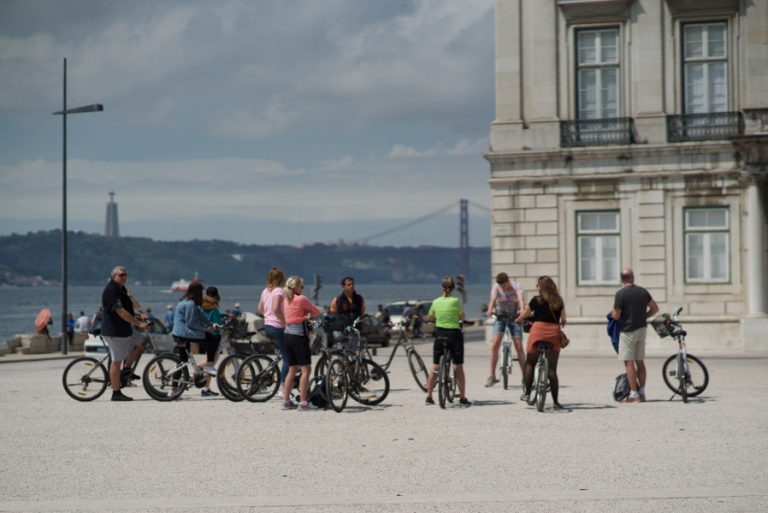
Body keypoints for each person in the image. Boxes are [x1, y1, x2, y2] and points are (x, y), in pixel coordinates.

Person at [515, 276, 566, 409]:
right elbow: (564, 319)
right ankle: (556, 402)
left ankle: (526, 393)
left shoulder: (536, 300)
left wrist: (518, 320)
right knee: (552, 370)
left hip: (537, 331)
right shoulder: (558, 300)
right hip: (553, 333)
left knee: (530, 363)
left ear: (540, 287)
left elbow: (525, 314)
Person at [100, 266, 149, 401]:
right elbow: (120, 312)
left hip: (125, 329)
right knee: (116, 361)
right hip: (115, 332)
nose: (124, 277)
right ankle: (116, 393)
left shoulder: (121, 289)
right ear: (114, 276)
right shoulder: (111, 291)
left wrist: (139, 315)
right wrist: (138, 324)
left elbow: (131, 308)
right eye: (121, 275)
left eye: (126, 275)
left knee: (142, 341)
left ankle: (126, 370)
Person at [611, 268, 659, 403]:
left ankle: (634, 395)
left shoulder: (620, 294)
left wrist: (613, 312)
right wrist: (644, 316)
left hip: (627, 331)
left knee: (629, 363)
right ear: (632, 277)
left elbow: (616, 315)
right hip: (641, 329)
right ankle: (642, 392)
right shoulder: (642, 291)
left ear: (622, 279)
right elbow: (655, 308)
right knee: (640, 362)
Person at [425, 276, 471, 406]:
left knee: (435, 364)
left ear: (441, 288)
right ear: (453, 288)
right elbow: (461, 316)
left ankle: (429, 396)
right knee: (458, 365)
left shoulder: (436, 301)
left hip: (440, 334)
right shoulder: (455, 301)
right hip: (454, 334)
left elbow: (430, 316)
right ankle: (462, 397)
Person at [281, 276, 321, 410]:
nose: (302, 289)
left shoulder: (286, 299)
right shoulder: (301, 299)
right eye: (301, 286)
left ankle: (286, 401)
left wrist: (301, 316)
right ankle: (303, 402)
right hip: (299, 336)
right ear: (297, 287)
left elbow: (289, 317)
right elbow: (316, 312)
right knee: (306, 369)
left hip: (287, 336)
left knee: (291, 369)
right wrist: (306, 316)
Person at [172, 282, 216, 394]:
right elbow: (191, 323)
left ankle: (173, 389)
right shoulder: (190, 304)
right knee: (209, 338)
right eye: (201, 292)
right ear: (197, 292)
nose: (202, 294)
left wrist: (211, 323)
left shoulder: (187, 302)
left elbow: (201, 315)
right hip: (184, 333)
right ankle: (209, 365)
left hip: (178, 333)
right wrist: (205, 329)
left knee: (182, 361)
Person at [485, 272, 525, 387]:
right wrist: (489, 310)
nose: (504, 288)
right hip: (500, 317)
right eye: (502, 286)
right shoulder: (496, 287)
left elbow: (521, 299)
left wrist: (522, 309)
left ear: (508, 281)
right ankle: (492, 376)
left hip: (515, 317)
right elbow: (492, 300)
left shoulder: (517, 286)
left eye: (505, 286)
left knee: (519, 347)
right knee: (495, 344)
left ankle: (526, 376)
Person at [259, 267, 288, 393]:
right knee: (289, 358)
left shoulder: (265, 291)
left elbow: (260, 308)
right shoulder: (279, 291)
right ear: (281, 278)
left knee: (282, 353)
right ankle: (283, 387)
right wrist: (285, 322)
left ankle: (273, 372)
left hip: (268, 326)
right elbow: (276, 308)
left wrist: (268, 316)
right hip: (278, 327)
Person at [200, 286, 226, 397]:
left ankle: (206, 388)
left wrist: (224, 315)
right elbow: (216, 322)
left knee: (210, 362)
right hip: (213, 337)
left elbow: (208, 318)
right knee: (211, 363)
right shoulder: (214, 309)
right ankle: (196, 373)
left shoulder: (202, 306)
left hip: (203, 336)